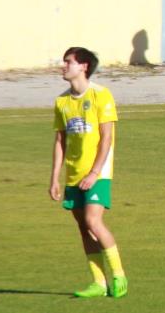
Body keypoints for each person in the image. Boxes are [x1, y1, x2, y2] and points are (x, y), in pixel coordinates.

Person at [49, 47, 128, 298]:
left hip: (98, 173)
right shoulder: (61, 101)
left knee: (94, 221)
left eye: (68, 62)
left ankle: (118, 275)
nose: (64, 66)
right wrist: (54, 178)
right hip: (74, 175)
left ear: (83, 66)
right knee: (84, 228)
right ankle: (98, 283)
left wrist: (94, 172)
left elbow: (107, 138)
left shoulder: (101, 95)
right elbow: (60, 142)